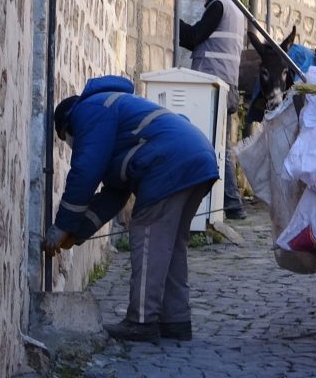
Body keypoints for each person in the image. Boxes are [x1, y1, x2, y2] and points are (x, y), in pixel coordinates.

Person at [42, 75, 220, 343]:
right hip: (197, 158)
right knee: (171, 246)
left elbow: (85, 170)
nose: (69, 145)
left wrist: (62, 226)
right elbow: (114, 196)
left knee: (148, 239)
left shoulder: (88, 111)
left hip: (169, 162)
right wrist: (77, 233)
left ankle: (141, 321)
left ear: (67, 125)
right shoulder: (117, 111)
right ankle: (176, 320)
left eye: (65, 139)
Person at [178, 0, 248, 220]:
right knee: (221, 146)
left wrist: (175, 21)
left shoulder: (218, 6)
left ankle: (227, 203)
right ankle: (230, 203)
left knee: (211, 145)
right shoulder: (235, 10)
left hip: (212, 81)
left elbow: (197, 36)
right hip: (228, 82)